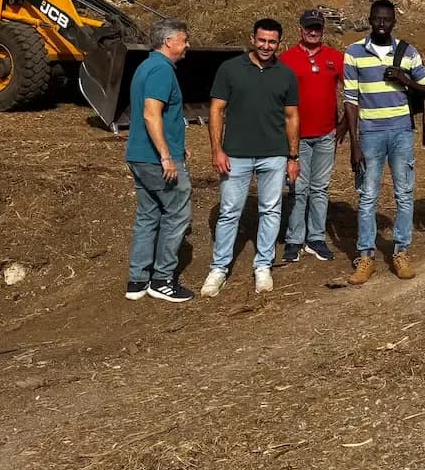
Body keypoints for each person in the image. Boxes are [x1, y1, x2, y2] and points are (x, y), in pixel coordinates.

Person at [202, 19, 300, 297]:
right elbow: (216, 110)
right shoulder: (230, 69)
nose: (266, 46)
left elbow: (292, 116)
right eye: (262, 40)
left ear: (279, 43)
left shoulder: (286, 75)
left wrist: (293, 155)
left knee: (270, 210)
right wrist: (216, 149)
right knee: (230, 211)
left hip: (274, 154)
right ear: (252, 38)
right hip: (236, 154)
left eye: (272, 42)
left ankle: (263, 265)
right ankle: (219, 268)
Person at [343, 0, 425, 284]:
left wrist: (405, 80)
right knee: (368, 196)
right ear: (369, 20)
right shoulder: (354, 52)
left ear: (394, 21)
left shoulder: (408, 53)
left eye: (386, 20)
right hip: (370, 133)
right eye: (376, 19)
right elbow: (350, 100)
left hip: (401, 133)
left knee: (404, 194)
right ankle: (366, 256)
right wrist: (355, 144)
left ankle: (401, 251)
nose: (381, 24)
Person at [124, 19, 195, 303]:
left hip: (139, 155)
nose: (187, 45)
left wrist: (178, 147)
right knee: (178, 212)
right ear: (169, 42)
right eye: (184, 39)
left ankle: (137, 280)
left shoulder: (145, 66)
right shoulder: (161, 71)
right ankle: (163, 279)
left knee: (148, 215)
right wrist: (167, 155)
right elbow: (151, 114)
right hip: (155, 160)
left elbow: (159, 117)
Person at [278, 8, 346, 264]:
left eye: (317, 28)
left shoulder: (334, 58)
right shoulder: (287, 59)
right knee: (297, 188)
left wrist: (344, 126)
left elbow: (351, 90)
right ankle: (294, 239)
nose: (313, 32)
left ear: (323, 30)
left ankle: (315, 237)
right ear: (301, 30)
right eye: (309, 27)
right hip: (298, 137)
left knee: (320, 187)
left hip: (326, 134)